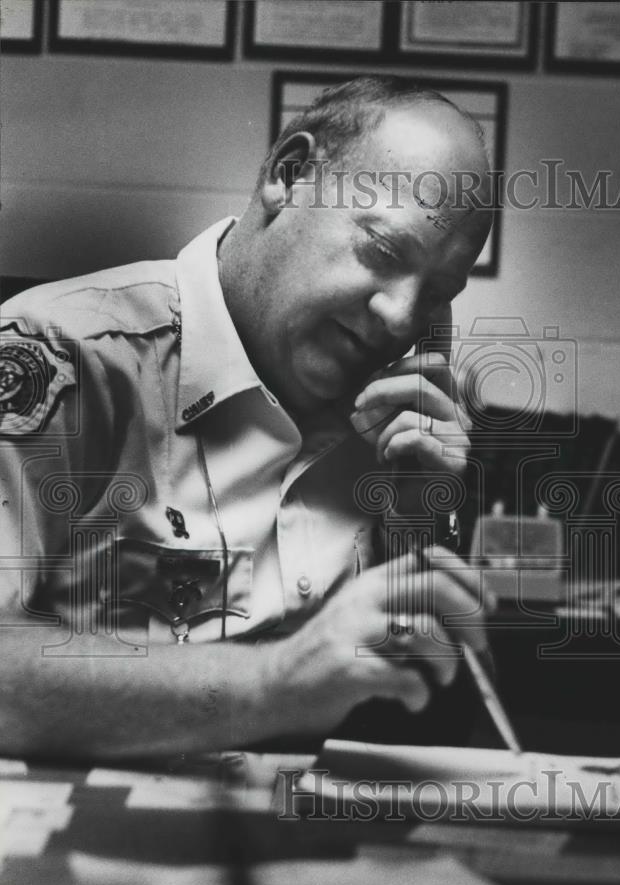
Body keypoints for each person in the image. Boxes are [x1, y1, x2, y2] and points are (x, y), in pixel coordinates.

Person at [0, 76, 495, 759]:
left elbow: (423, 731)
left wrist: (421, 534)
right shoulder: (60, 356)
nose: (401, 318)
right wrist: (273, 683)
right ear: (289, 176)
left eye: (437, 292)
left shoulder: (394, 417)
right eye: (383, 253)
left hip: (296, 846)